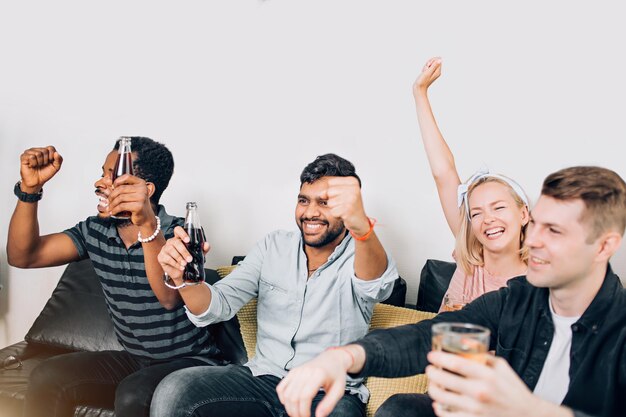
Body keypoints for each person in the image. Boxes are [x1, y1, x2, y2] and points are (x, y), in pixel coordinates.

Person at [277, 165, 626, 417]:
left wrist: (530, 411)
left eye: (554, 231)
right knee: (401, 409)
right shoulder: (515, 301)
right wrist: (343, 357)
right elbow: (428, 337)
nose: (533, 240)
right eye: (536, 225)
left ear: (603, 246)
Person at [151, 153, 399, 417]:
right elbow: (216, 306)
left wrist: (362, 228)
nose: (310, 212)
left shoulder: (362, 254)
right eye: (304, 200)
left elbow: (377, 285)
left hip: (329, 394)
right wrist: (183, 278)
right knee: (175, 389)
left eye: (324, 203)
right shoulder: (274, 247)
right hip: (262, 380)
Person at [7, 138, 223, 417]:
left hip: (190, 363)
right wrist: (29, 190)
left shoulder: (181, 233)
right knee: (45, 375)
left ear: (146, 191)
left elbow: (168, 298)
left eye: (114, 177)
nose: (100, 183)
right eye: (103, 173)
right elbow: (24, 256)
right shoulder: (95, 231)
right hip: (135, 359)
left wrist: (146, 224)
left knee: (134, 393)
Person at [413, 57, 529, 312]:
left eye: (498, 208)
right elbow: (443, 172)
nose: (487, 219)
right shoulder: (471, 259)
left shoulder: (541, 279)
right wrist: (420, 93)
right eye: (476, 213)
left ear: (523, 214)